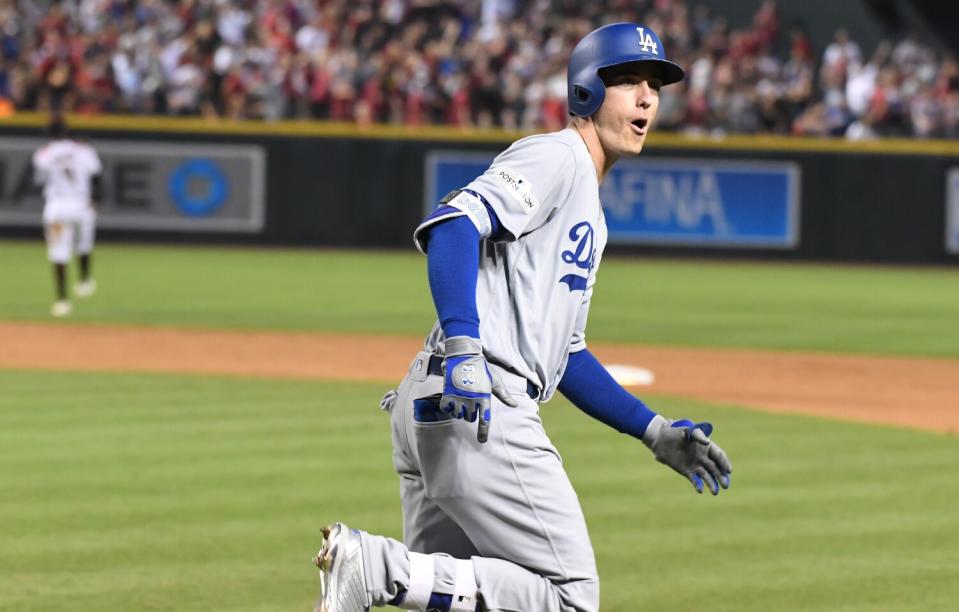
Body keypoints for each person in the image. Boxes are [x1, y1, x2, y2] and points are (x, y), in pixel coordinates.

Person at [313, 23, 733, 612]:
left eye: (654, 87)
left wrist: (652, 429)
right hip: (480, 400)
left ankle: (382, 570)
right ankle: (375, 565)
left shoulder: (588, 203)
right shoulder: (558, 156)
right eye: (629, 82)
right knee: (568, 597)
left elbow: (568, 357)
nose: (646, 99)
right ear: (587, 90)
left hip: (438, 405)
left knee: (453, 593)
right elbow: (454, 226)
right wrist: (463, 346)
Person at [32, 117, 103, 317]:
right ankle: (84, 280)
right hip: (82, 205)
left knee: (58, 254)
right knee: (84, 245)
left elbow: (38, 183)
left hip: (57, 207)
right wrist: (95, 200)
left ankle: (62, 301)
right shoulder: (84, 150)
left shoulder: (43, 154)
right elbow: (97, 177)